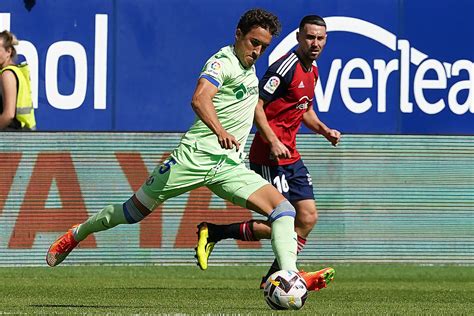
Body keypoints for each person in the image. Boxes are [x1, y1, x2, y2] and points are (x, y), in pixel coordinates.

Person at [46, 9, 333, 291]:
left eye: (263, 46)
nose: (257, 50)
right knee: (131, 213)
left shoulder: (250, 68)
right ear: (238, 35)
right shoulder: (222, 62)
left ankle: (291, 276)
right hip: (192, 159)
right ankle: (77, 234)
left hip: (228, 166)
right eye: (253, 43)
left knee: (283, 210)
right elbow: (199, 99)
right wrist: (220, 130)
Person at [195, 15, 340, 289]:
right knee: (282, 218)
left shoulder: (313, 69)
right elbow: (257, 105)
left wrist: (324, 130)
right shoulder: (285, 67)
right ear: (299, 37)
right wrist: (272, 140)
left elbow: (305, 108)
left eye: (320, 38)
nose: (315, 43)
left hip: (291, 154)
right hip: (268, 154)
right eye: (310, 37)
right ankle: (284, 277)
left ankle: (223, 239)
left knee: (307, 217)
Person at [0, 30, 36, 131]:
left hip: (14, 138)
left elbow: (9, 115)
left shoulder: (7, 74)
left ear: (8, 52)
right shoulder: (15, 71)